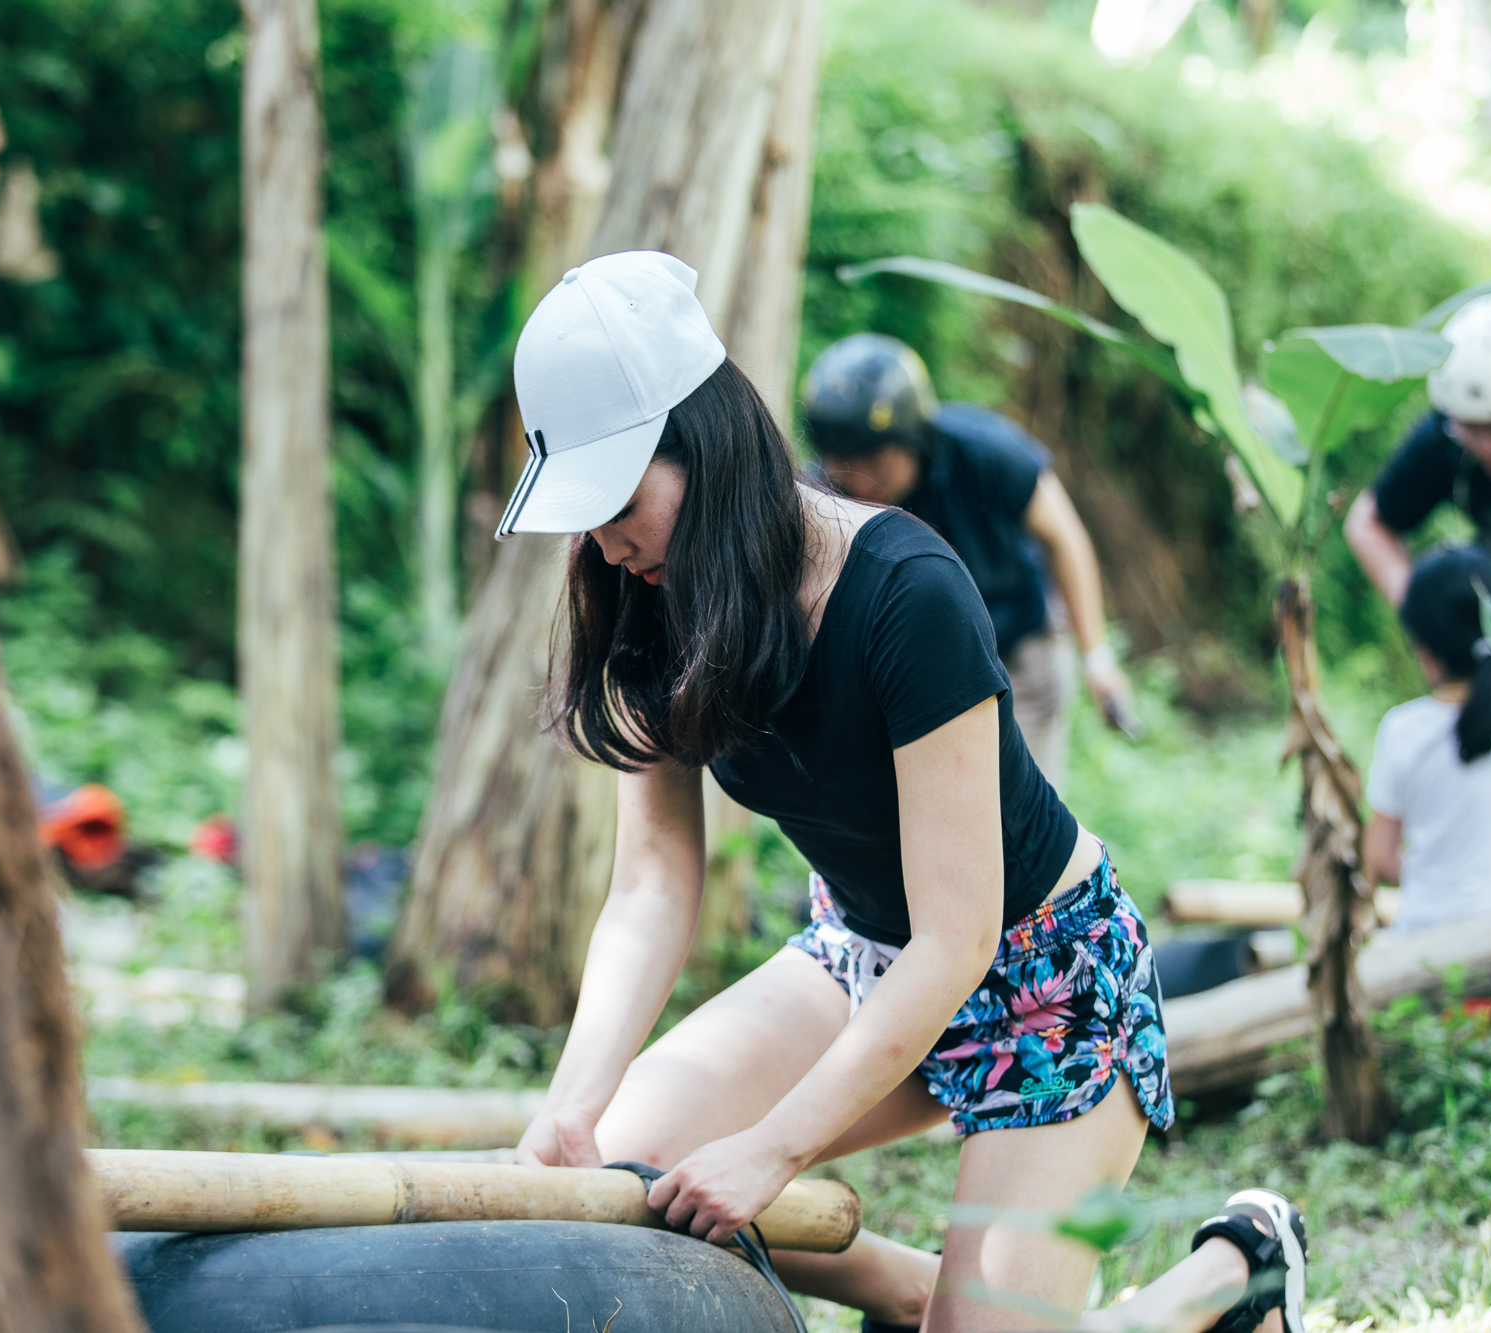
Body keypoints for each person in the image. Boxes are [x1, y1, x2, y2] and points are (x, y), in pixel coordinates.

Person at [498, 250, 1307, 1333]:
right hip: (863, 956)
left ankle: (1230, 1274)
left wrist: (772, 1148)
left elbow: (958, 934)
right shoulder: (645, 594)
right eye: (582, 513)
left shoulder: (902, 593)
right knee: (622, 1172)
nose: (603, 540)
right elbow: (649, 883)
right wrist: (572, 1100)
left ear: (707, 441)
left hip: (1041, 978)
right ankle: (918, 1290)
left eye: (619, 499)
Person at [800, 334, 1137, 788]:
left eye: (873, 461)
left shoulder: (986, 452)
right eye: (840, 462)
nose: (857, 481)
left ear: (912, 436)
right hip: (912, 670)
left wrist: (1096, 657)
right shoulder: (824, 496)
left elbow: (1066, 538)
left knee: (1013, 818)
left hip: (1017, 651)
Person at [1344, 291, 1491, 626]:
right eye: (1471, 431)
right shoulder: (1449, 433)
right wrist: (1432, 622)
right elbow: (1368, 523)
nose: (1486, 448)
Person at [1362, 547, 1491, 935]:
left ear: (1425, 649)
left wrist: (1434, 873)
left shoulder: (1404, 730)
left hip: (1422, 948)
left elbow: (1379, 857)